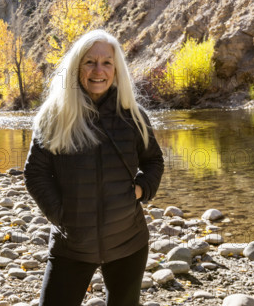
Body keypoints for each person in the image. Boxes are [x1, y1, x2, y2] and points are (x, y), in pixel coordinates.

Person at [23, 29, 165, 306]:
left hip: (128, 243)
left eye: (107, 63)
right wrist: (63, 215)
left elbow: (153, 161)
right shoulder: (55, 116)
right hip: (72, 246)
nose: (98, 70)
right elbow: (35, 173)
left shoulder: (133, 116)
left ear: (116, 69)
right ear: (77, 67)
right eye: (90, 62)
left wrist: (139, 191)